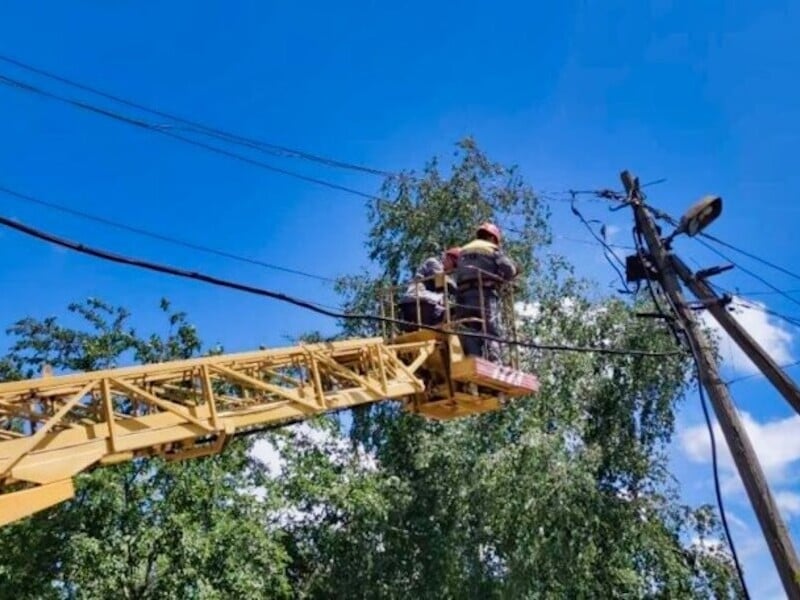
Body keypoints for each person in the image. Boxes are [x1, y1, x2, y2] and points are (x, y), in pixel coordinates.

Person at [454, 222, 518, 362]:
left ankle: (474, 358)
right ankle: (495, 362)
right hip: (484, 294)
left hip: (463, 296)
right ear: (493, 238)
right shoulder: (491, 248)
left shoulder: (463, 250)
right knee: (491, 330)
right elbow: (509, 269)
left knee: (471, 328)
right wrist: (506, 277)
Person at [397, 249, 460, 332]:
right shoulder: (433, 263)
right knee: (457, 312)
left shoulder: (443, 281)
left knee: (454, 313)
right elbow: (447, 282)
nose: (453, 270)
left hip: (419, 306)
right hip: (419, 303)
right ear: (448, 258)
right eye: (455, 265)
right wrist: (464, 293)